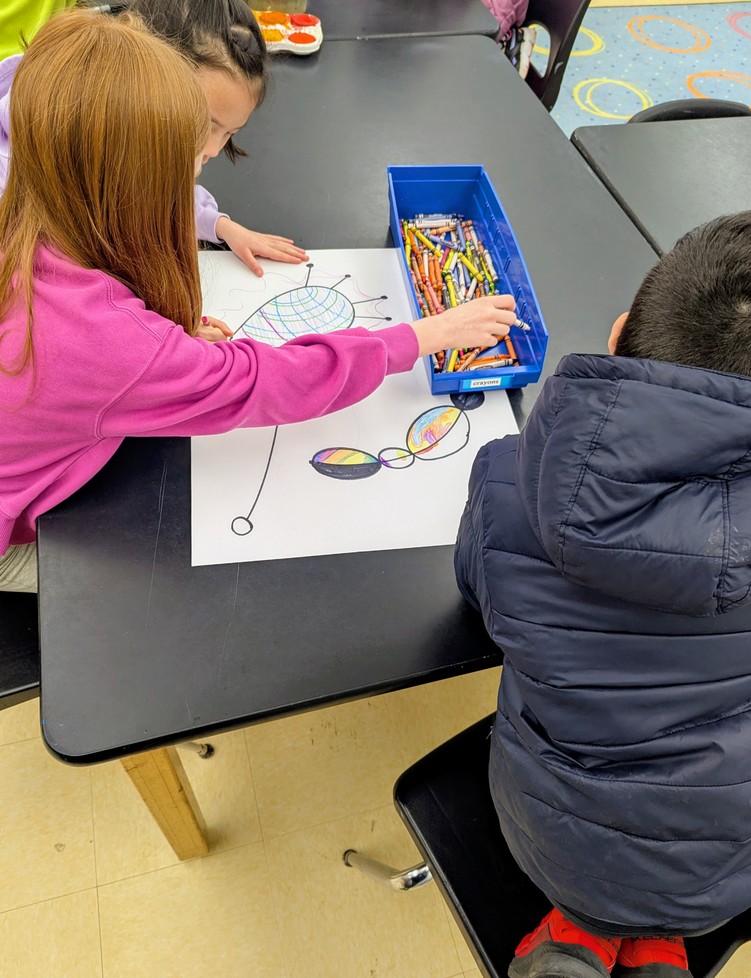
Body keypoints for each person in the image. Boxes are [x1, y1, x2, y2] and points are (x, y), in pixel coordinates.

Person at [0, 9, 518, 592]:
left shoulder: (28, 191)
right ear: (130, 185)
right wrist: (424, 336)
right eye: (185, 162)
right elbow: (268, 380)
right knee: (126, 595)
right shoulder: (105, 342)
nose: (203, 165)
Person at [454, 210, 751, 978]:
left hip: (545, 836)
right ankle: (662, 940)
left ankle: (584, 928)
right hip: (735, 857)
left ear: (620, 332)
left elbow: (474, 593)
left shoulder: (504, 484)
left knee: (594, 822)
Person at [0, 0, 308, 277]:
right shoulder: (18, 178)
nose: (213, 149)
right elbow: (52, 293)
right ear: (149, 84)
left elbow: (156, 191)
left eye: (229, 134)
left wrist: (219, 225)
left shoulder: (114, 123)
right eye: (205, 124)